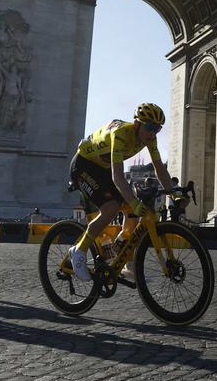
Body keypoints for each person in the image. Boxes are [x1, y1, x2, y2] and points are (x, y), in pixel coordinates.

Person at [67, 103, 181, 282]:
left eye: (157, 129)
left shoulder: (150, 139)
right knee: (111, 208)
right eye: (150, 128)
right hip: (83, 166)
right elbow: (118, 176)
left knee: (132, 213)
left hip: (102, 168)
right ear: (137, 124)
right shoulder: (120, 134)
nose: (153, 134)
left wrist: (174, 193)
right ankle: (78, 251)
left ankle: (125, 258)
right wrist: (135, 203)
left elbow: (159, 168)